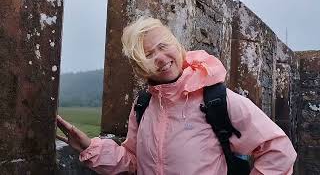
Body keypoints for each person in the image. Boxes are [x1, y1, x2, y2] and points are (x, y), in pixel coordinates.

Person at [57, 17, 297, 175]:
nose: (160, 58)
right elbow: (133, 161)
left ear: (177, 45)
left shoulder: (216, 99)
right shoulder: (143, 106)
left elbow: (278, 149)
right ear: (139, 68)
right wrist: (91, 148)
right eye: (148, 55)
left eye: (163, 46)